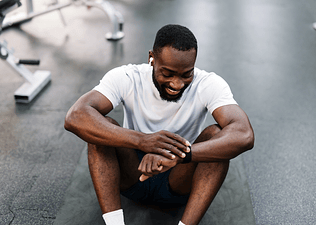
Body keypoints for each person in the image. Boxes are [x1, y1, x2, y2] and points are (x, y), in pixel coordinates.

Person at [64, 24, 254, 225]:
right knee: (101, 127)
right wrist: (142, 141)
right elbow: (75, 116)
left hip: (179, 179)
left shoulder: (208, 84)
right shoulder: (127, 77)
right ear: (151, 58)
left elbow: (244, 134)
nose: (177, 84)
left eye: (186, 74)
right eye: (168, 73)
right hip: (133, 174)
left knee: (217, 136)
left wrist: (182, 155)